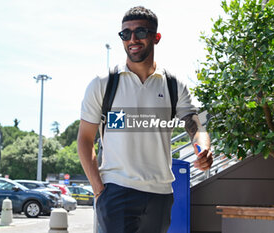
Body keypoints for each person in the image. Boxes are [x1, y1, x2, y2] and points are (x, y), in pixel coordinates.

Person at [77, 6, 213, 233]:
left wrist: (203, 148)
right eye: (125, 34)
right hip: (116, 191)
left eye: (140, 32)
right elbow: (84, 139)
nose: (132, 39)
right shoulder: (103, 84)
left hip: (160, 195)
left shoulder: (173, 85)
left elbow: (194, 124)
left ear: (156, 37)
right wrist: (98, 190)